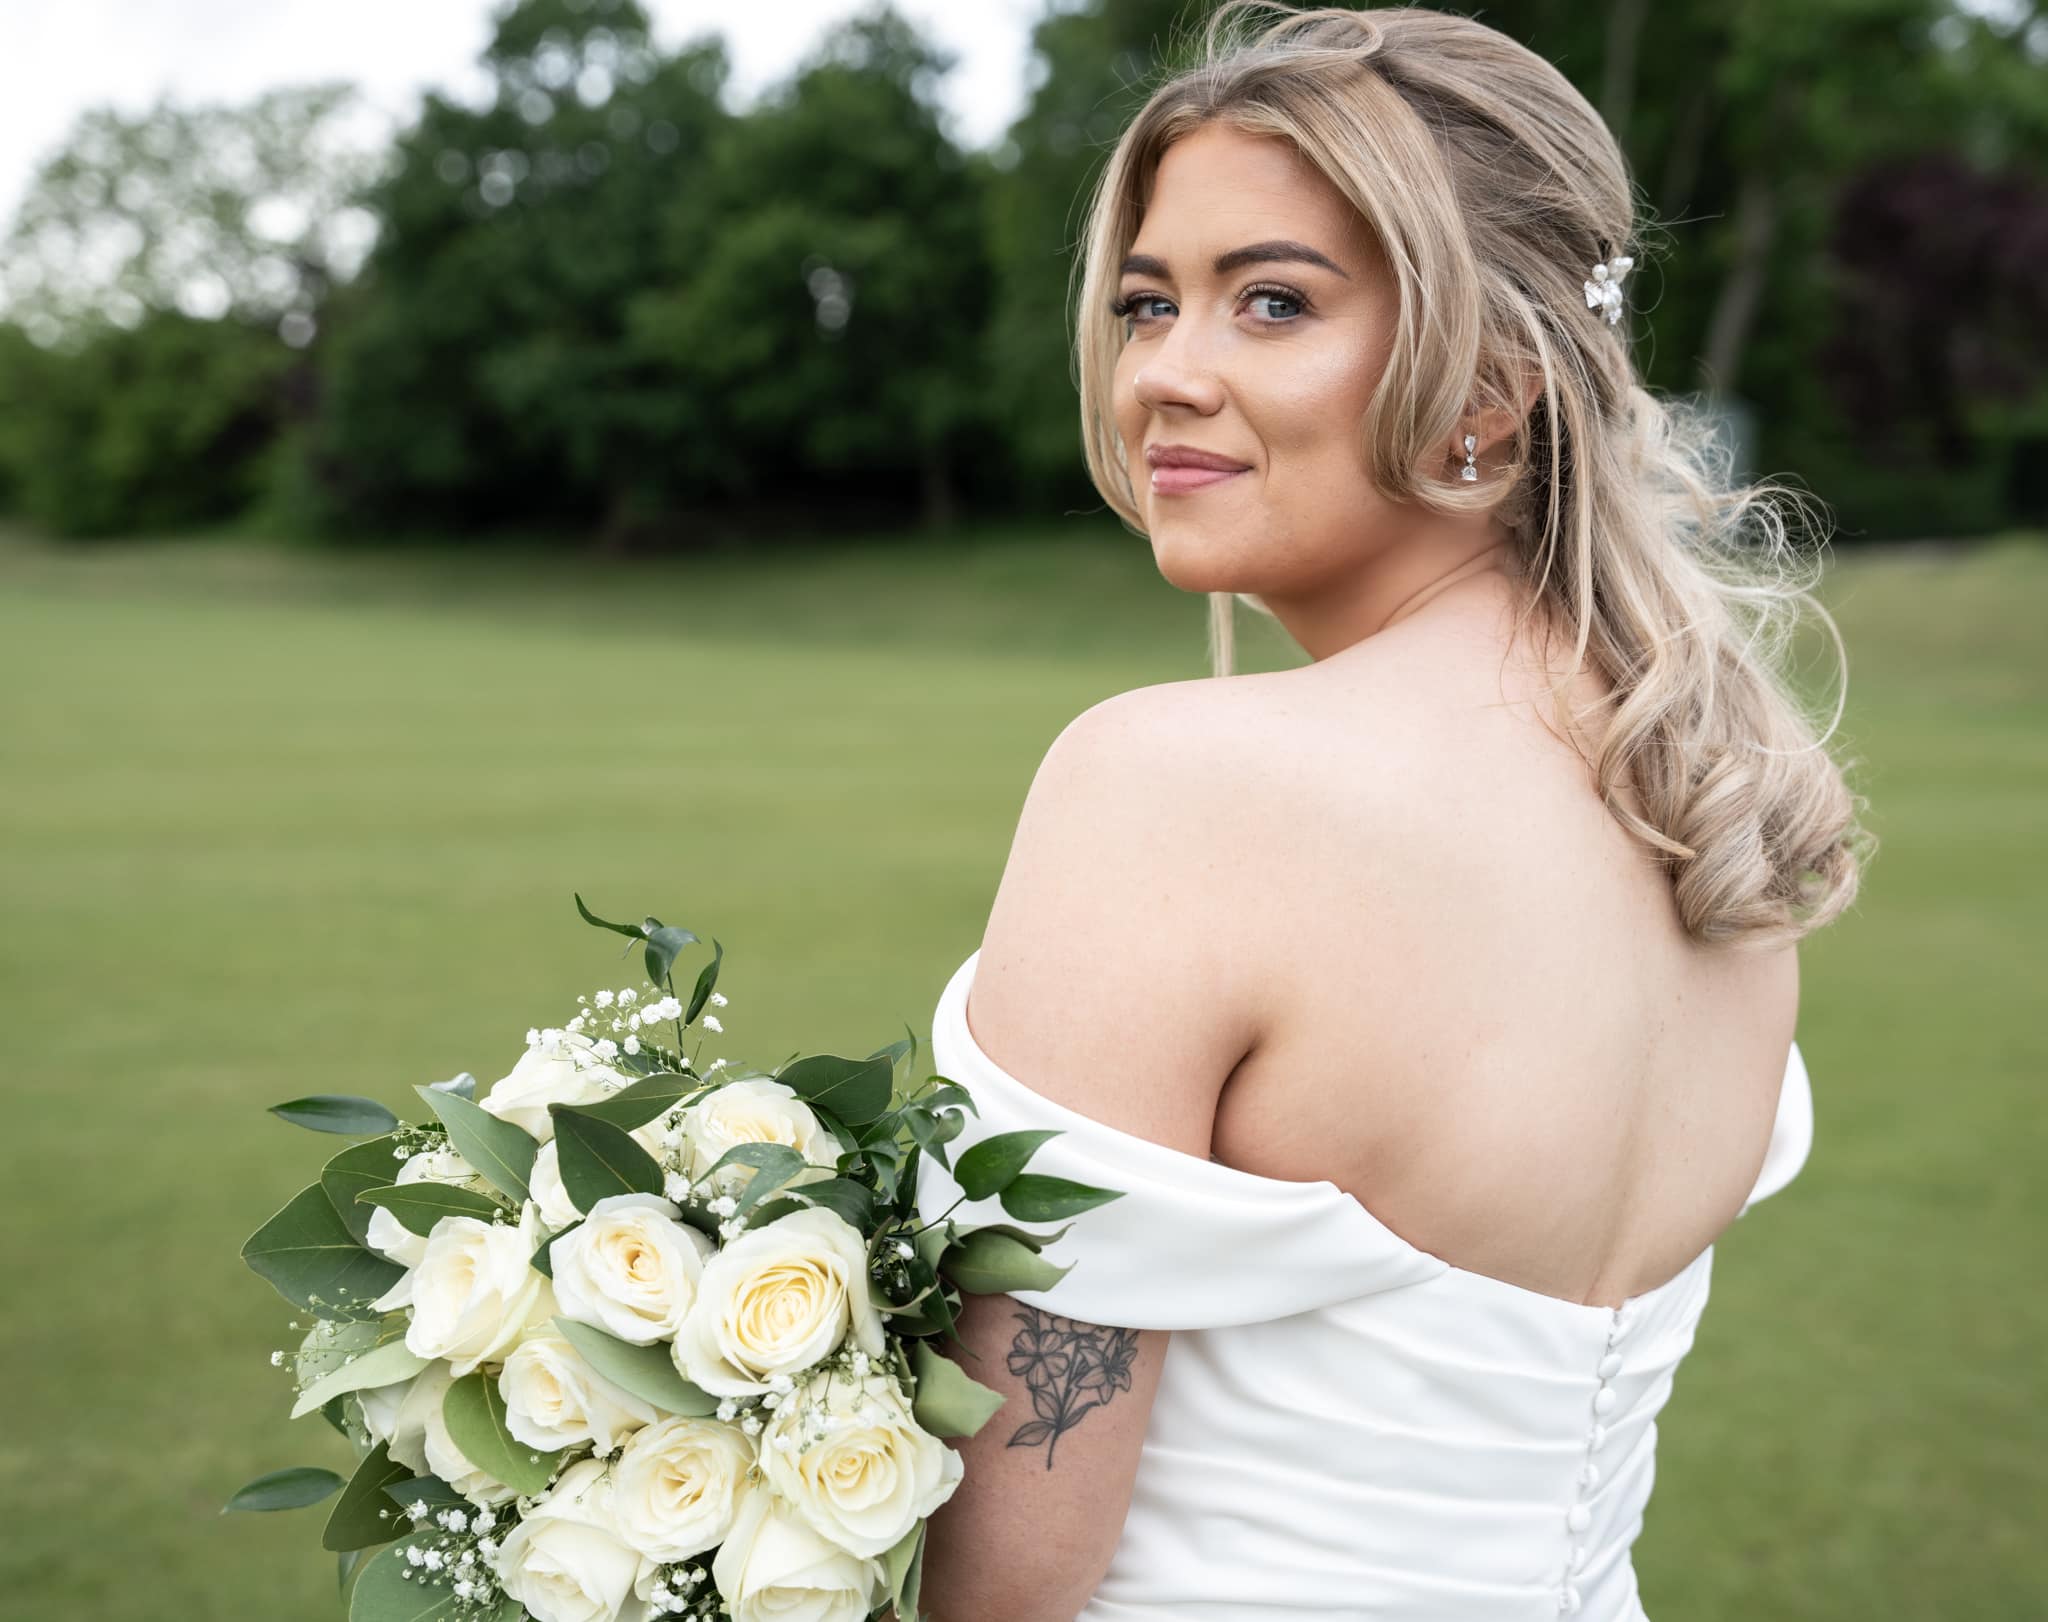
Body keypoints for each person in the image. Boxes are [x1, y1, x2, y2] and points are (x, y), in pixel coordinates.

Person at [910, 4, 1872, 1619]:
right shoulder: (1711, 803)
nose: (1166, 374)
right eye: (1150, 302)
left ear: (1491, 379)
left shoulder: (1178, 787)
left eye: (1272, 301)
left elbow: (1006, 1575)